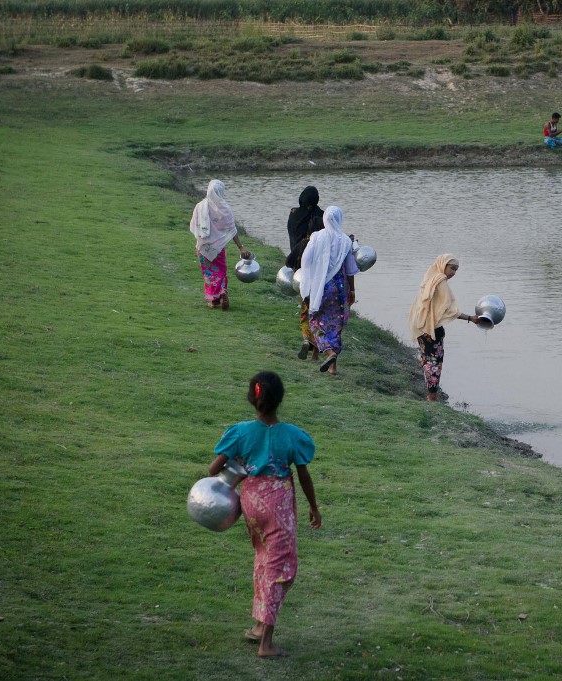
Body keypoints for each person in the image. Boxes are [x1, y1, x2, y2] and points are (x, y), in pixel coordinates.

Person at [207, 371, 321, 658]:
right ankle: (266, 643)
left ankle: (259, 625)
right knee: (280, 568)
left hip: (252, 501)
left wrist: (240, 459)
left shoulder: (241, 432)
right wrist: (314, 506)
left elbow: (212, 469)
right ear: (279, 400)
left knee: (263, 558)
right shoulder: (292, 435)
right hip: (278, 504)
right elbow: (304, 476)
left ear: (253, 399)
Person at [408, 255, 479, 401]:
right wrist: (470, 318)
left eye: (456, 270)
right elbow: (448, 310)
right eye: (452, 268)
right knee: (435, 363)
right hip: (433, 329)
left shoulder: (429, 277)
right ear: (443, 265)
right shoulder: (440, 281)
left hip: (421, 326)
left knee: (427, 360)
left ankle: (430, 395)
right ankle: (432, 397)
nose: (453, 273)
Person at [298, 206, 359, 375]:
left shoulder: (317, 237)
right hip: (339, 289)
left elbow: (306, 260)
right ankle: (333, 367)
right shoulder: (346, 241)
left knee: (315, 321)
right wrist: (352, 291)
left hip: (321, 287)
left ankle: (329, 352)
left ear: (325, 219)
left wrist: (307, 283)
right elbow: (350, 269)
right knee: (336, 324)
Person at [189, 179, 251, 310]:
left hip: (203, 247)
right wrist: (241, 247)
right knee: (220, 271)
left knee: (208, 273)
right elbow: (232, 229)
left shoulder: (200, 206)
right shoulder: (225, 209)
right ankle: (222, 291)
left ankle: (213, 300)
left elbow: (195, 225)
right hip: (218, 248)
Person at [284, 186, 325, 361]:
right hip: (320, 268)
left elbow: (293, 237)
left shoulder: (294, 215)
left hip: (300, 264)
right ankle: (316, 348)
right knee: (319, 306)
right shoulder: (322, 216)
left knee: (305, 303)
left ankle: (306, 337)